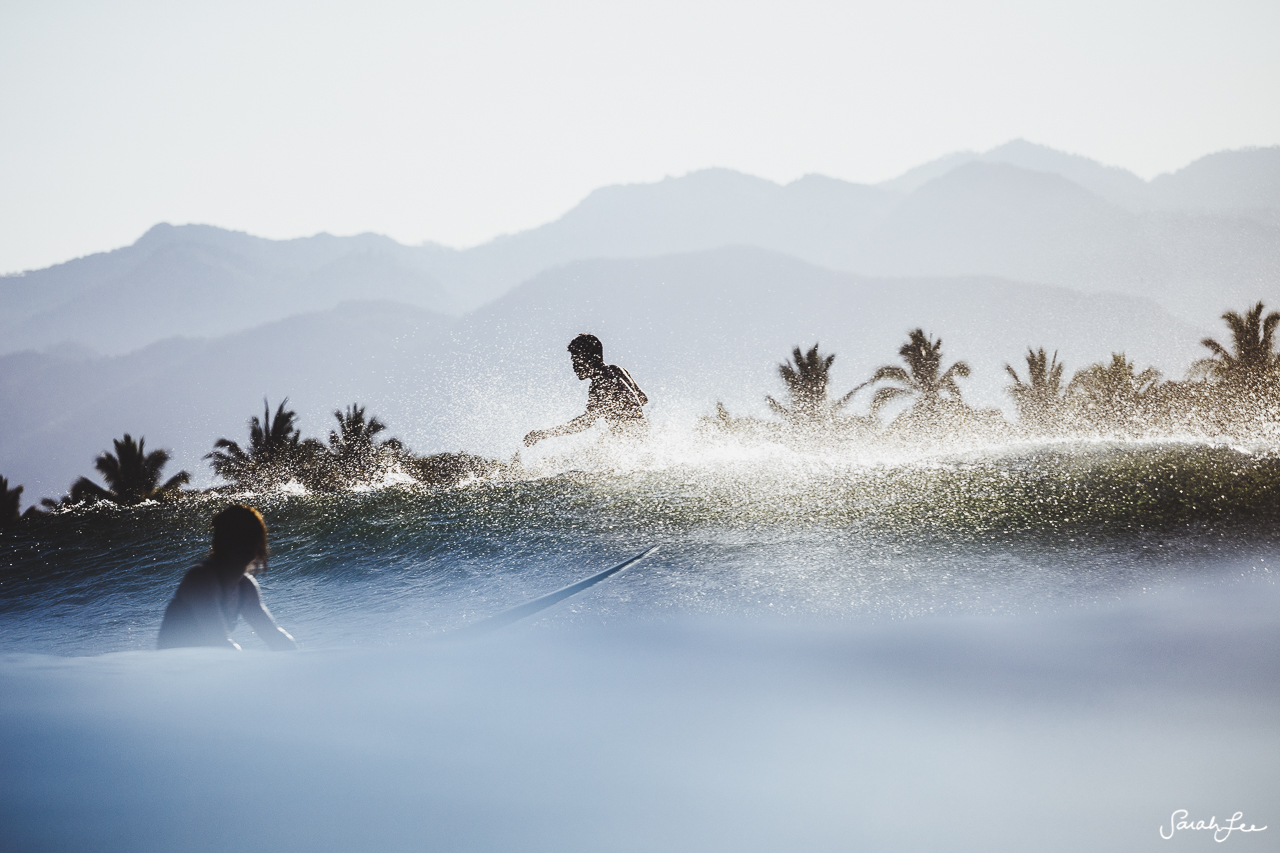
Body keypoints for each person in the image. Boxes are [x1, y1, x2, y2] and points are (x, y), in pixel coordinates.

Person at [157, 503, 297, 651]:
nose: (246, 544)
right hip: (174, 669)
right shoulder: (201, 578)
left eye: (251, 537)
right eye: (239, 537)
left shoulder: (245, 587)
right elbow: (219, 642)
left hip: (204, 666)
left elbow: (274, 636)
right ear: (223, 541)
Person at [524, 333, 649, 447]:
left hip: (627, 441)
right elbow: (642, 399)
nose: (574, 366)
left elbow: (586, 422)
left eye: (576, 361)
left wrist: (543, 434)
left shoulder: (599, 384)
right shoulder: (618, 370)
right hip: (641, 433)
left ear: (589, 359)